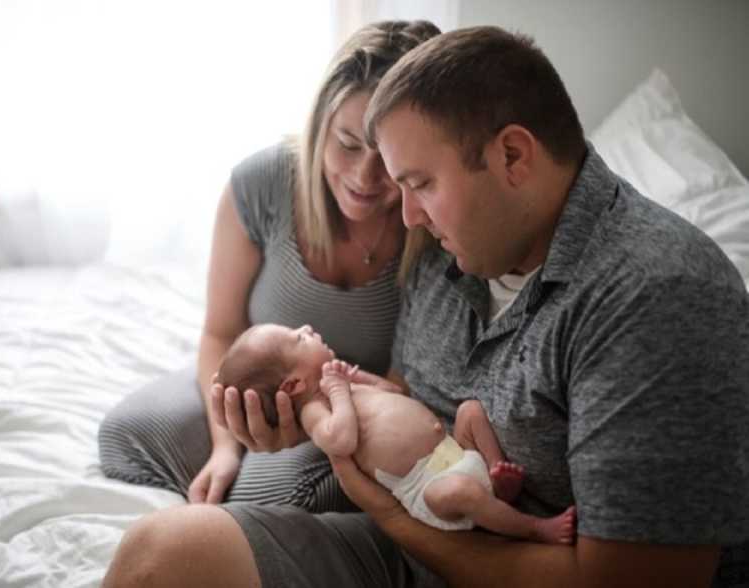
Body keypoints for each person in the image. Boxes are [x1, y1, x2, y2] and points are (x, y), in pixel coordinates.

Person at [103, 26, 749, 588]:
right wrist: (308, 411)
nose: (403, 213)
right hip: (413, 540)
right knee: (159, 555)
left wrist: (386, 513)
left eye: (418, 184)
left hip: (507, 560)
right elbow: (407, 394)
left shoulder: (655, 293)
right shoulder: (453, 251)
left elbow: (630, 582)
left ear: (513, 156)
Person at [97, 19, 441, 513]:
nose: (364, 178)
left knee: (274, 494)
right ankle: (230, 496)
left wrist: (309, 424)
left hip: (351, 415)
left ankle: (246, 506)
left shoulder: (430, 223)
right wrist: (225, 444)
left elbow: (400, 388)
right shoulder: (262, 183)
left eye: (386, 160)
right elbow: (221, 332)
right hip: (258, 384)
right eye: (346, 144)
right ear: (320, 125)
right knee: (125, 436)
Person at [217, 322, 577, 543]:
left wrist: (358, 380)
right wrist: (341, 391)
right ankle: (532, 527)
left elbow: (394, 395)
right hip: (430, 488)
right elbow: (341, 441)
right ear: (294, 385)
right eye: (299, 338)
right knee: (458, 492)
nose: (309, 330)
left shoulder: (343, 386)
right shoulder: (316, 410)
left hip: (456, 451)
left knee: (471, 410)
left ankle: (497, 475)